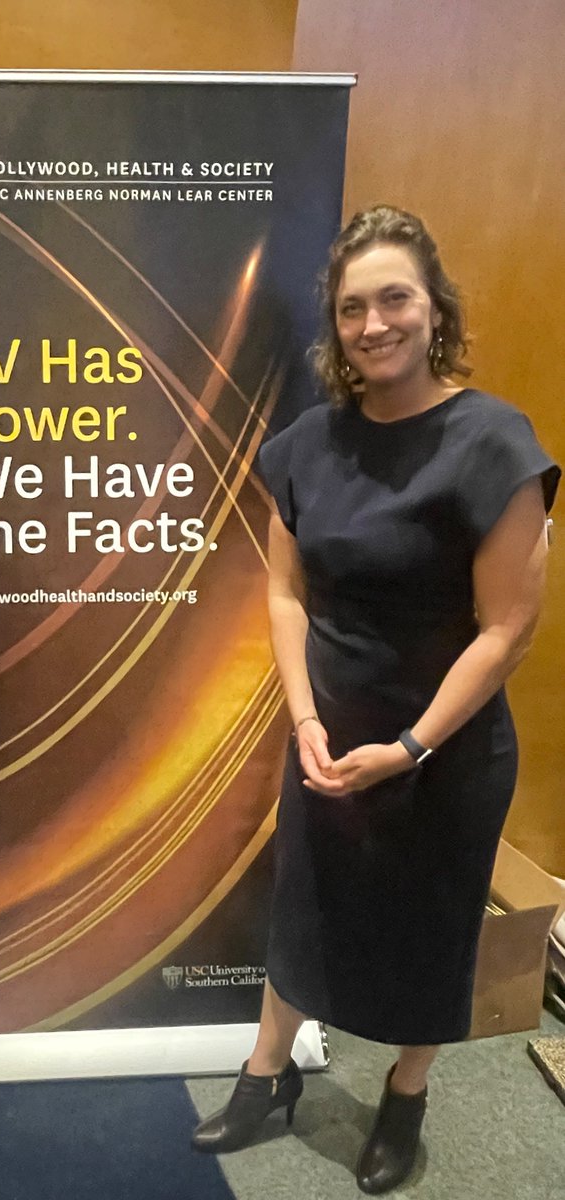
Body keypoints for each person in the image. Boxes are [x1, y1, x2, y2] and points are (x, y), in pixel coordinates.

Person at [191, 206, 559, 1193]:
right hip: (328, 733)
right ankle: (267, 1076)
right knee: (304, 914)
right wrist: (308, 721)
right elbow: (283, 592)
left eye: (396, 297)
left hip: (444, 750)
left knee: (428, 934)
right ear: (336, 325)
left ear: (434, 306)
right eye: (353, 306)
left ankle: (406, 1095)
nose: (375, 322)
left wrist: (411, 746)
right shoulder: (309, 445)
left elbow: (506, 630)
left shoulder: (493, 442)